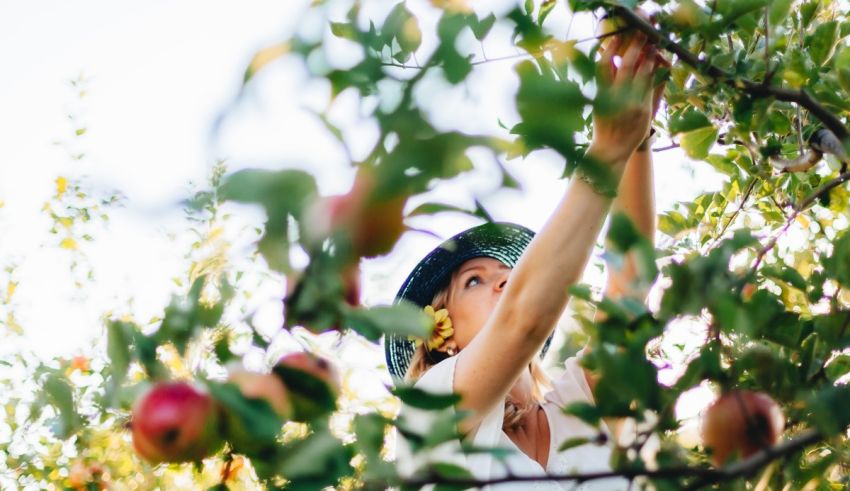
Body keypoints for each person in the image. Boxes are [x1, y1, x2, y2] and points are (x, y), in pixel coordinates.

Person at [385, 30, 666, 490]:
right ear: (441, 335)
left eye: (509, 275)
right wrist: (607, 150)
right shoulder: (429, 409)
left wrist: (638, 138)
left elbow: (631, 284)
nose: (503, 283)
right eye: (474, 281)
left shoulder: (581, 401)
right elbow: (523, 318)